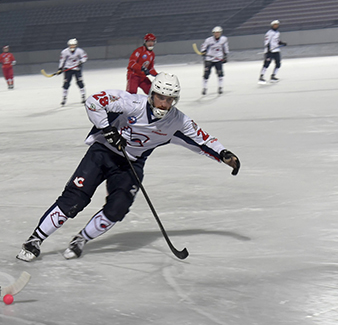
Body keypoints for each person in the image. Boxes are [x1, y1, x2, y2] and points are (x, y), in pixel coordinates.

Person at [16, 72, 241, 262]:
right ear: (152, 93)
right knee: (75, 199)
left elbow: (202, 139)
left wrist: (224, 154)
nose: (164, 103)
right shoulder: (131, 103)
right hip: (102, 154)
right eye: (160, 97)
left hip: (131, 164)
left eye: (170, 99)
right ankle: (35, 239)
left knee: (118, 208)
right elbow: (94, 101)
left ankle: (81, 239)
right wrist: (107, 129)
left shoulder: (177, 121)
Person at [200, 26, 229, 95]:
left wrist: (225, 56)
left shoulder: (223, 39)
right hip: (209, 59)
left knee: (220, 73)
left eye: (218, 33)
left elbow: (225, 48)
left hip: (218, 58)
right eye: (215, 33)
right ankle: (204, 88)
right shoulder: (209, 40)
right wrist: (203, 51)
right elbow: (203, 47)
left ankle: (220, 87)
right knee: (206, 74)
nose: (217, 34)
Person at [58, 38, 88, 106]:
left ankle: (83, 96)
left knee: (80, 82)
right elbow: (62, 60)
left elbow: (84, 57)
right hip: (68, 69)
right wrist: (60, 68)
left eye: (73, 45)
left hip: (77, 69)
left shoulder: (80, 51)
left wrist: (81, 61)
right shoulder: (64, 52)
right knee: (66, 83)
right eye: (71, 45)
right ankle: (64, 97)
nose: (72, 47)